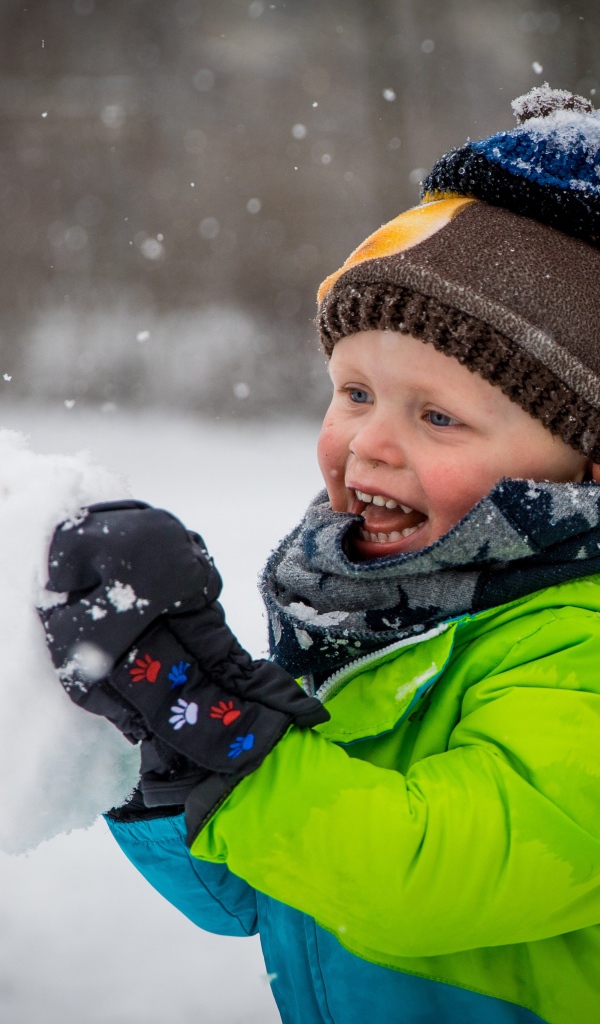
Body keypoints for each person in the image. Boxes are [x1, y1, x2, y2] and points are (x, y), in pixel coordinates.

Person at [41, 85, 600, 1024]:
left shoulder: (573, 645)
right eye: (353, 393)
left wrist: (234, 740)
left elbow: (422, 874)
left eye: (437, 415)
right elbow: (257, 896)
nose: (368, 444)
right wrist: (166, 732)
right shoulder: (377, 607)